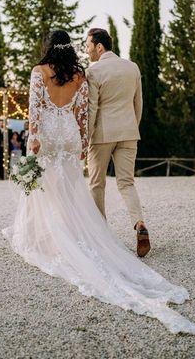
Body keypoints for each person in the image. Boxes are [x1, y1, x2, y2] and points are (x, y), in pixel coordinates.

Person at [3, 30, 195, 335]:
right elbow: (84, 113)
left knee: (70, 185)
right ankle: (114, 229)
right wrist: (83, 140)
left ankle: (69, 233)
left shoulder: (40, 72)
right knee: (107, 184)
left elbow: (35, 111)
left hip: (55, 134)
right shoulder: (86, 75)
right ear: (70, 49)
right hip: (81, 133)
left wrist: (37, 139)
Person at [85, 28, 150, 257]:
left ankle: (100, 234)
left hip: (102, 134)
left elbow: (92, 107)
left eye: (88, 45)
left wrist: (87, 137)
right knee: (126, 182)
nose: (87, 49)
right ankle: (139, 222)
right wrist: (132, 126)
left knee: (96, 183)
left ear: (99, 46)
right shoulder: (132, 67)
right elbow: (138, 102)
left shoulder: (93, 72)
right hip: (129, 131)